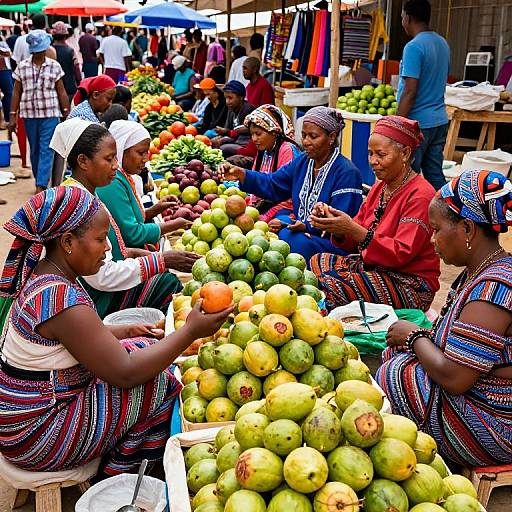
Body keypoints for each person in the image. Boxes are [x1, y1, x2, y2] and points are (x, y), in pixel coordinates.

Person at [0, 186, 232, 478]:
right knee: (160, 382)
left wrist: (119, 332)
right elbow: (125, 373)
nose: (108, 248)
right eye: (100, 240)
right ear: (68, 241)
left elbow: (62, 343)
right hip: (37, 436)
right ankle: (120, 473)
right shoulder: (60, 300)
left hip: (20, 419)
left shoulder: (44, 275)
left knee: (142, 344)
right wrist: (189, 332)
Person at [376, 169, 512, 467]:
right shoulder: (479, 272)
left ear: (467, 229)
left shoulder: (494, 288)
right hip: (479, 393)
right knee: (396, 359)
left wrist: (413, 337)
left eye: (436, 229)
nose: (432, 240)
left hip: (498, 423)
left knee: (396, 373)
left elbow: (456, 378)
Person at [51, 118, 200, 317]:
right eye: (109, 159)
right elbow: (102, 277)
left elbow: (113, 250)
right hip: (90, 298)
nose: (115, 165)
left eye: (115, 158)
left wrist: (141, 255)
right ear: (83, 161)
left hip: (95, 286)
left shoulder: (84, 193)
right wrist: (160, 261)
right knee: (167, 283)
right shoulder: (81, 204)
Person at [310, 116, 440, 312]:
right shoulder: (380, 187)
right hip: (375, 269)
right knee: (318, 261)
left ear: (404, 153)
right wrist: (335, 226)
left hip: (410, 283)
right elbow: (355, 236)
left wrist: (352, 229)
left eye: (381, 154)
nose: (373, 161)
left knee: (331, 284)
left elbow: (401, 253)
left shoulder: (421, 195)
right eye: (370, 154)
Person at [221, 106, 363, 262]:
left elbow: (340, 227)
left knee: (290, 238)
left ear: (331, 137)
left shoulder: (347, 173)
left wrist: (305, 226)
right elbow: (273, 183)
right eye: (303, 135)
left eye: (313, 136)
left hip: (331, 243)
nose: (306, 142)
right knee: (283, 223)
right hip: (304, 232)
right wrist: (241, 173)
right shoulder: (303, 161)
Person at [97, 120, 191, 251]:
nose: (146, 159)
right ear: (120, 149)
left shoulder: (123, 176)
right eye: (141, 153)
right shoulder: (111, 182)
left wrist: (154, 210)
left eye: (147, 152)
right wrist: (173, 225)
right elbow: (132, 234)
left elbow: (126, 219)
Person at [397, 0, 450, 191]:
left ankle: (403, 218)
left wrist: (397, 124)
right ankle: (449, 215)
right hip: (439, 121)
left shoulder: (413, 47)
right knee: (434, 174)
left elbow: (410, 91)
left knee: (404, 177)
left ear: (408, 18)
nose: (402, 21)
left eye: (402, 16)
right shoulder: (442, 43)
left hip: (418, 125)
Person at [8, 30, 69, 193]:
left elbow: (61, 90)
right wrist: (12, 115)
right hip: (29, 115)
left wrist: (65, 110)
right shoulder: (22, 67)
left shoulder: (54, 66)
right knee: (34, 150)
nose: (40, 52)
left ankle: (41, 184)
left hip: (50, 114)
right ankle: (39, 179)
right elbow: (16, 92)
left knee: (46, 149)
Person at [244, 104, 301, 222]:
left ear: (273, 132)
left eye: (258, 134)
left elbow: (290, 197)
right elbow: (256, 185)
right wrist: (251, 206)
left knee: (281, 224)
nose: (254, 139)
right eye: (252, 134)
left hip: (286, 207)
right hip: (267, 204)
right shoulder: (263, 150)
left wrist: (266, 216)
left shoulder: (287, 150)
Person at [212, 80, 254, 158]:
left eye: (230, 98)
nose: (227, 102)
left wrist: (225, 134)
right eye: (226, 98)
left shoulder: (247, 109)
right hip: (235, 140)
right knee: (213, 142)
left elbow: (239, 133)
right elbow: (228, 129)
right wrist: (221, 136)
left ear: (241, 97)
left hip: (245, 144)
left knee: (222, 149)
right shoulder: (231, 109)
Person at [52, 22, 81, 102]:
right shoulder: (70, 51)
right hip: (69, 87)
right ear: (66, 36)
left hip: (53, 89)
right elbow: (76, 69)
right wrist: (80, 83)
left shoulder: (49, 51)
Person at [0, 36, 13, 130]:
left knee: (9, 94)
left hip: (4, 70)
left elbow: (8, 53)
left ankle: (8, 119)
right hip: (4, 71)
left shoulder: (2, 41)